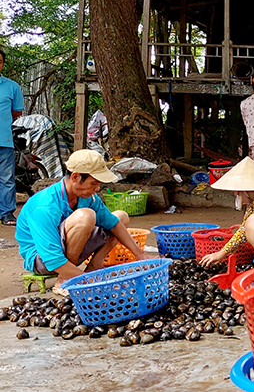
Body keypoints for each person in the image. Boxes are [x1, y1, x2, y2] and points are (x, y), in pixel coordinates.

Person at [14, 150, 150, 281]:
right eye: (93, 183)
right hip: (43, 260)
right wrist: (87, 281)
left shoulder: (87, 197)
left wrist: (140, 255)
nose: (97, 189)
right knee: (86, 216)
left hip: (70, 252)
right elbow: (52, 259)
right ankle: (65, 278)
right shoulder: (44, 206)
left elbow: (113, 224)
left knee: (121, 216)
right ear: (75, 177)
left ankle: (94, 267)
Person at [0, 48, 24, 225]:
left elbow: (17, 112)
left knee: (6, 178)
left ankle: (7, 213)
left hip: (4, 140)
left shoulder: (12, 87)